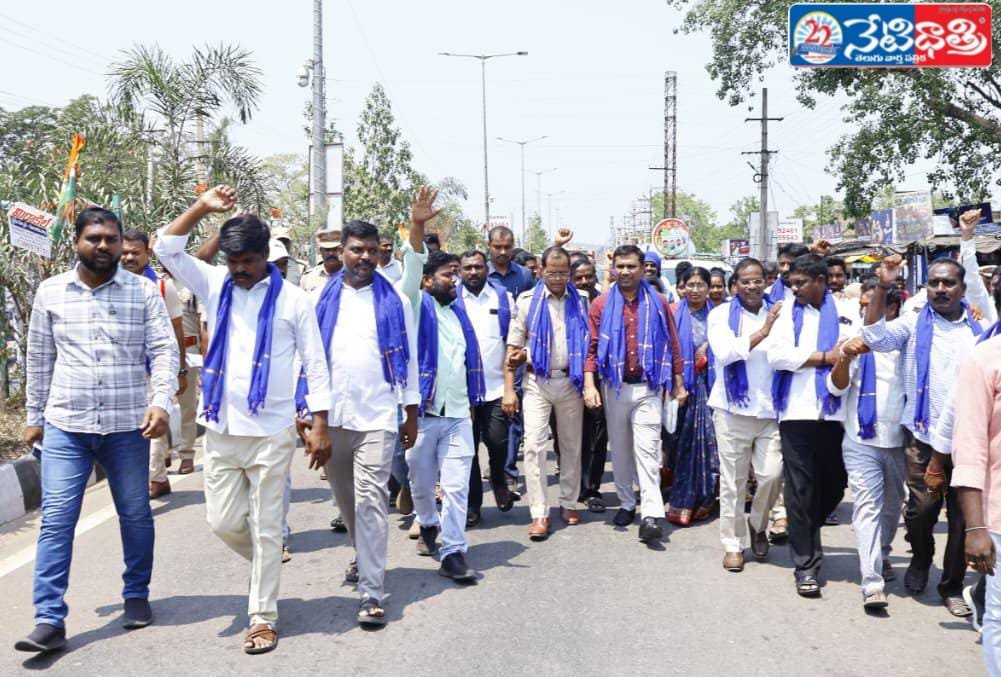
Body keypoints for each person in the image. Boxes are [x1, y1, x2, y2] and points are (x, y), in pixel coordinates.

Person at [155, 185, 332, 654]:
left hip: (272, 433)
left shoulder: (295, 300)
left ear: (265, 257)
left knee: (269, 526)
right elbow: (164, 247)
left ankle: (263, 616)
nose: (238, 269)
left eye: (247, 261)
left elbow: (315, 364)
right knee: (224, 523)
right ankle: (266, 566)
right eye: (232, 261)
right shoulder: (214, 284)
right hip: (221, 429)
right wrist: (201, 208)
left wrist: (318, 423)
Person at [16, 208, 178, 653]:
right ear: (77, 242)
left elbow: (165, 350)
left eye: (111, 238)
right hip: (67, 424)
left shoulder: (143, 293)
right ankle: (48, 619)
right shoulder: (51, 293)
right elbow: (39, 358)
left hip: (128, 425)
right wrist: (34, 416)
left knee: (136, 514)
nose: (103, 246)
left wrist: (161, 401)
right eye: (94, 238)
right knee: (56, 523)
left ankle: (136, 595)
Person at [862, 214, 992, 616]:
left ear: (961, 289)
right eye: (933, 282)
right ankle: (920, 558)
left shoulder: (981, 329)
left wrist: (967, 239)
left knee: (960, 515)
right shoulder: (915, 324)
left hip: (970, 439)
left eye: (948, 283)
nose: (940, 288)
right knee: (921, 511)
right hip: (922, 436)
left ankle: (951, 584)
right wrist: (883, 286)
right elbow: (875, 338)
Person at [297, 219, 419, 626]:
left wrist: (411, 409)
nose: (364, 257)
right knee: (347, 502)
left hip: (379, 415)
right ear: (341, 252)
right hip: (331, 417)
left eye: (370, 250)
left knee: (371, 502)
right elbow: (307, 359)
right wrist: (307, 413)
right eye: (356, 250)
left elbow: (411, 360)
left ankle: (371, 591)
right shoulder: (317, 299)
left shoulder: (395, 300)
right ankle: (362, 552)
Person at [401, 186, 482, 582]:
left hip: (457, 416)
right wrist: (417, 225)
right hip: (423, 415)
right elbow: (411, 267)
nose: (456, 281)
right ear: (429, 280)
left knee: (455, 485)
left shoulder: (457, 315)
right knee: (419, 483)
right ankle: (427, 521)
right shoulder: (417, 305)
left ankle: (453, 550)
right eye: (450, 275)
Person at [767, 253, 855, 598]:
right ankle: (806, 567)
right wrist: (823, 358)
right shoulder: (787, 312)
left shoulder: (847, 312)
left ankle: (803, 528)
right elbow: (777, 356)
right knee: (800, 491)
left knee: (834, 485)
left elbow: (853, 349)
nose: (795, 288)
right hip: (796, 412)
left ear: (820, 280)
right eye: (792, 283)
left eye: (801, 283)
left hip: (836, 412)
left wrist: (836, 358)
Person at [584, 244, 685, 544]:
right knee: (621, 450)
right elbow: (591, 348)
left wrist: (678, 383)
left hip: (648, 386)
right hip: (614, 385)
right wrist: (590, 384)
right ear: (613, 269)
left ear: (642, 268)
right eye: (621, 266)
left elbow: (673, 343)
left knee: (648, 449)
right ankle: (627, 503)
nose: (625, 272)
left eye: (631, 266)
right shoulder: (601, 305)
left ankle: (650, 514)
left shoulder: (657, 302)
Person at [828, 279, 907, 610]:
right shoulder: (853, 342)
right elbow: (835, 389)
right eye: (864, 306)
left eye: (876, 305)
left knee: (892, 507)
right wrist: (844, 356)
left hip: (901, 442)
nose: (867, 312)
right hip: (860, 440)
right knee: (867, 508)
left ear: (893, 310)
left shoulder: (909, 344)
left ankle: (883, 554)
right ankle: (871, 581)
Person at [504, 246, 590, 540]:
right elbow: (513, 347)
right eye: (551, 272)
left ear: (570, 272)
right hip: (537, 382)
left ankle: (568, 502)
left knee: (570, 446)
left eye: (562, 273)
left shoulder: (582, 301)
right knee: (534, 447)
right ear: (540, 271)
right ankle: (539, 513)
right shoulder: (527, 302)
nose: (557, 278)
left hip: (571, 382)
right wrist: (509, 389)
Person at [707, 258, 784, 573]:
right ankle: (733, 544)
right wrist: (764, 332)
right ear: (734, 285)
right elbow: (725, 354)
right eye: (745, 281)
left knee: (772, 475)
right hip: (731, 410)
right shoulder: (721, 314)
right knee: (733, 483)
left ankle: (758, 524)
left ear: (766, 282)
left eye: (758, 280)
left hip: (770, 410)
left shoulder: (781, 312)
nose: (752, 286)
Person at [952, 284, 1001, 672]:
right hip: (998, 518)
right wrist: (976, 528)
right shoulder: (983, 360)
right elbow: (969, 450)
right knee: (1000, 621)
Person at [120, 229, 189, 499]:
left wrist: (180, 369)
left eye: (135, 253)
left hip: (155, 369)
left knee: (152, 423)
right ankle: (156, 474)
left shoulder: (162, 286)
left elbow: (177, 330)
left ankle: (154, 479)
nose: (128, 258)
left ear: (147, 253)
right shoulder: (109, 284)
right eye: (124, 252)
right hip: (124, 371)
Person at [456, 249, 516, 525]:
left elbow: (513, 341)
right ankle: (472, 504)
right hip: (460, 391)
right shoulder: (451, 299)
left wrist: (510, 387)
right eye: (467, 268)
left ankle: (499, 478)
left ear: (486, 268)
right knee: (467, 450)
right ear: (459, 270)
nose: (473, 272)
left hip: (496, 387)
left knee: (498, 441)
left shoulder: (501, 297)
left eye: (478, 267)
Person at [666, 267, 718, 526]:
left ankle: (706, 498)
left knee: (708, 444)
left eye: (700, 285)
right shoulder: (673, 314)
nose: (695, 290)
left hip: (712, 387)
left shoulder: (719, 316)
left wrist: (708, 356)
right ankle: (683, 497)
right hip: (680, 387)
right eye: (690, 285)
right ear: (681, 287)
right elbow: (665, 350)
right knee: (680, 445)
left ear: (709, 288)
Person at [487, 225, 535, 495]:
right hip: (488, 354)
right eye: (498, 247)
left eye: (507, 247)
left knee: (513, 413)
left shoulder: (525, 276)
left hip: (515, 356)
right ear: (489, 246)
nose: (503, 252)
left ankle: (508, 472)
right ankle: (494, 467)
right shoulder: (481, 275)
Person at [571, 259, 608, 511]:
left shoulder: (606, 303)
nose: (584, 282)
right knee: (570, 437)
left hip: (598, 377)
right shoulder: (568, 303)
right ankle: (571, 484)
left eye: (588, 276)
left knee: (597, 435)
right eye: (579, 278)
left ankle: (591, 488)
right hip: (567, 378)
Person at [300, 229, 343, 294]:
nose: (331, 253)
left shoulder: (353, 276)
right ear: (320, 251)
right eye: (327, 250)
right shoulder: (308, 278)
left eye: (335, 249)